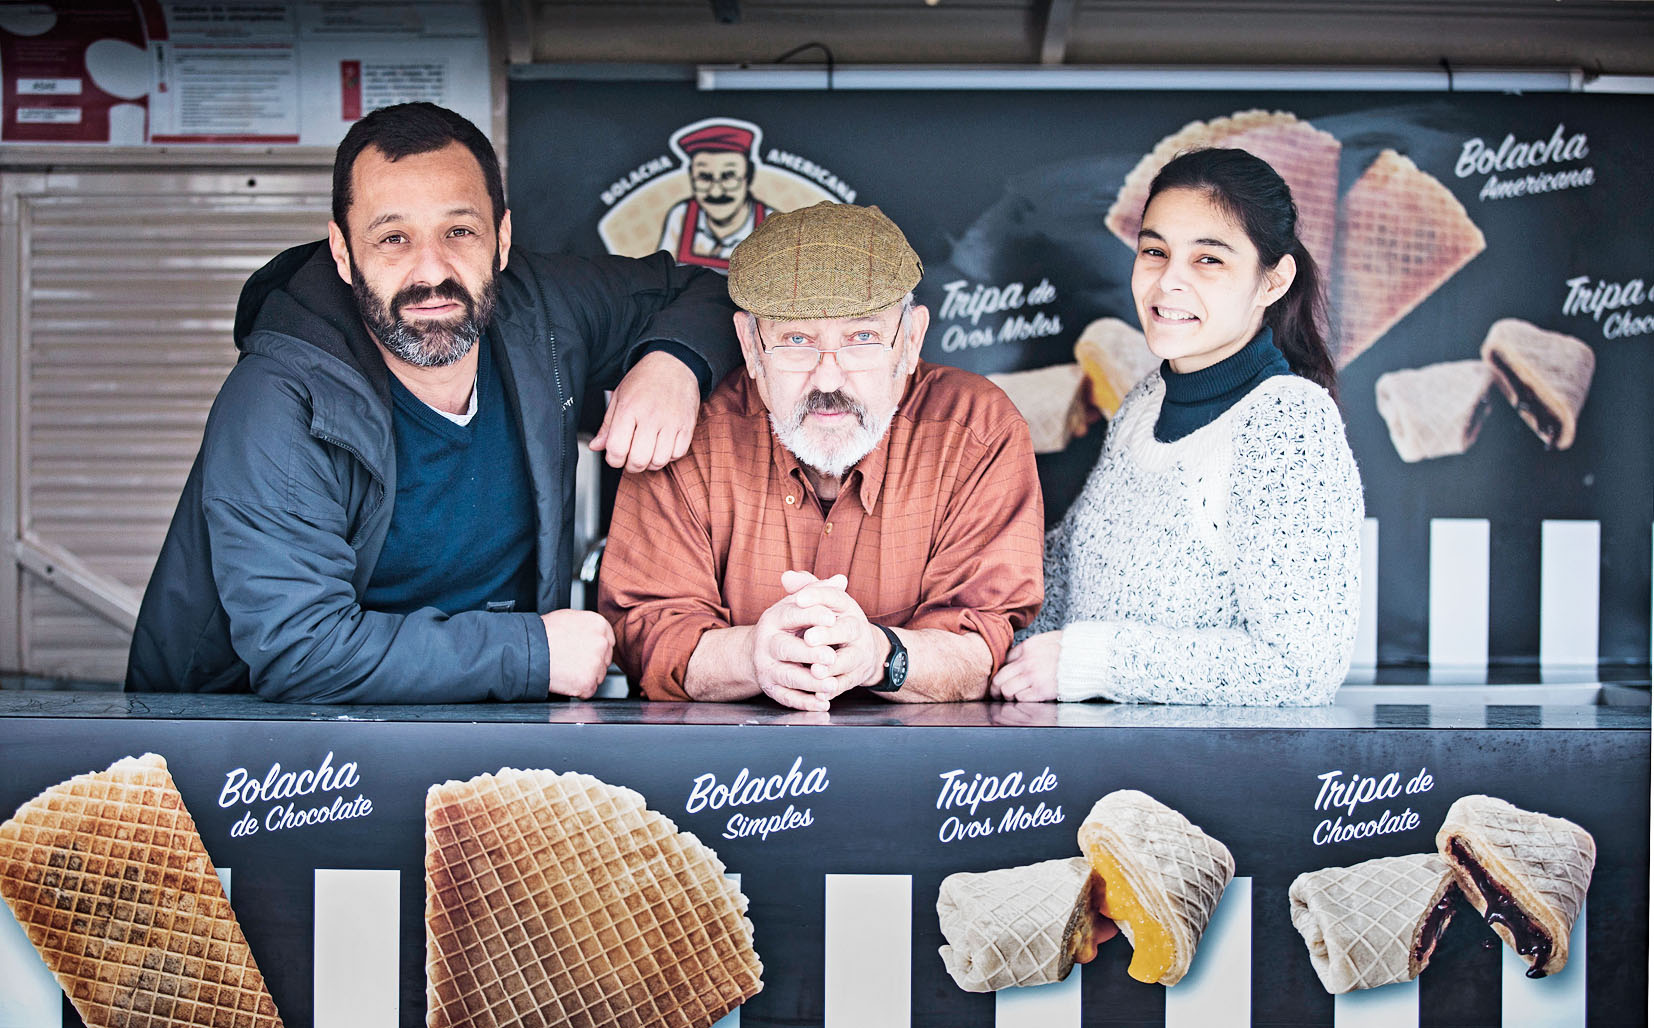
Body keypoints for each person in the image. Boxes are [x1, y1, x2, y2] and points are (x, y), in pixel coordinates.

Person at [126, 102, 741, 703]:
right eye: (393, 238)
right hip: (257, 738)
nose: (431, 272)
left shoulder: (545, 306)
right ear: (343, 252)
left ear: (501, 238)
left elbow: (711, 290)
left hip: (496, 716)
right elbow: (303, 650)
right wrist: (530, 652)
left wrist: (673, 364)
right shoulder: (278, 396)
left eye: (459, 232)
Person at [601, 202, 1044, 711]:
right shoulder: (692, 429)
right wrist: (753, 655)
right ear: (750, 345)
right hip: (724, 757)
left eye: (862, 338)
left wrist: (877, 654)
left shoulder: (978, 432)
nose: (828, 379)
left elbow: (980, 644)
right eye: (796, 340)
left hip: (916, 756)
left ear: (912, 340)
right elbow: (649, 630)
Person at [991, 148, 1362, 706]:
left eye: (1208, 259)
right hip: (1094, 752)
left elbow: (1301, 667)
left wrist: (1090, 662)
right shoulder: (1146, 401)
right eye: (1155, 251)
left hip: (1205, 763)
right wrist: (961, 631)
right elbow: (1065, 574)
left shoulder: (1290, 425)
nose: (1168, 282)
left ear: (1273, 281)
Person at [656, 123, 774, 270]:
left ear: (748, 177)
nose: (716, 192)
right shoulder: (681, 216)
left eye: (728, 176)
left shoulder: (772, 223)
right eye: (704, 177)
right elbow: (663, 275)